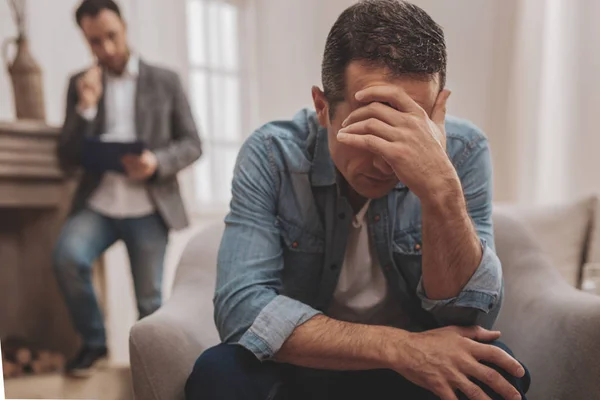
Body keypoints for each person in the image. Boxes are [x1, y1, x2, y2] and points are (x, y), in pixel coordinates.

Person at [186, 0, 531, 399]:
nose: (388, 156)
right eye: (370, 122)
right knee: (218, 374)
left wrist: (440, 189)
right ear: (322, 107)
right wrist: (398, 347)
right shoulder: (272, 154)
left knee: (496, 374)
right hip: (313, 360)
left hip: (419, 371)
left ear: (437, 112)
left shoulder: (464, 150)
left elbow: (472, 315)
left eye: (408, 125)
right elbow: (241, 309)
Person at [54, 0, 201, 377]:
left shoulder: (164, 80)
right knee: (67, 256)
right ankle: (94, 344)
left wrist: (155, 162)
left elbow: (192, 143)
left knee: (150, 302)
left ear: (124, 26)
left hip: (149, 207)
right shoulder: (79, 83)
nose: (106, 48)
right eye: (94, 42)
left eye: (111, 36)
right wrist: (86, 108)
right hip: (99, 204)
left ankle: (152, 377)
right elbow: (67, 156)